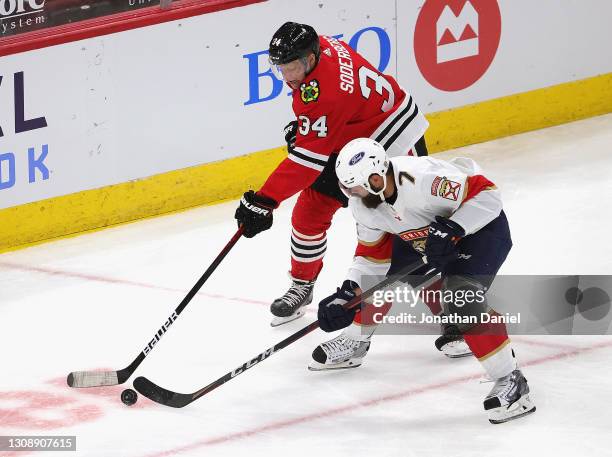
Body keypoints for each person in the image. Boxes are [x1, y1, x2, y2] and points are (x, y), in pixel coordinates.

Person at [313, 137, 536, 424]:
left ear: (375, 178)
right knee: (389, 279)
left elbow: (487, 193)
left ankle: (513, 382)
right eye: (347, 187)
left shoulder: (420, 180)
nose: (350, 194)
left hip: (480, 230)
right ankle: (357, 341)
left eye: (354, 187)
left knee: (461, 297)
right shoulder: (364, 205)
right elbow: (372, 258)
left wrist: (455, 227)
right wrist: (348, 294)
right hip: (425, 233)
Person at [234, 22, 431, 324]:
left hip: (393, 142)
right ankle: (302, 285)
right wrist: (309, 130)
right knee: (309, 211)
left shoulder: (326, 94)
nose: (287, 77)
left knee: (411, 231)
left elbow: (306, 162)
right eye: (280, 68)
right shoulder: (319, 47)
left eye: (293, 68)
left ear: (310, 59)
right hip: (353, 143)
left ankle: (457, 313)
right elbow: (327, 122)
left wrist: (264, 200)